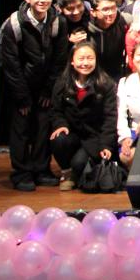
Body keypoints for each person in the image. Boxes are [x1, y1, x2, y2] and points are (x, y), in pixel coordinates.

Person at [0, 0, 69, 191]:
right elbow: (10, 64)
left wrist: (48, 90)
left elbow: (60, 59)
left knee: (43, 127)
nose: (43, 0)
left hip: (46, 85)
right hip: (20, 86)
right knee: (21, 129)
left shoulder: (58, 22)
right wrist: (22, 97)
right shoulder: (14, 24)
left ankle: (41, 169)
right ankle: (21, 173)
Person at [49, 41, 117, 191]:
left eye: (90, 58)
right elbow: (56, 110)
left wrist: (106, 144)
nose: (85, 63)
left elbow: (110, 117)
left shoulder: (105, 84)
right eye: (81, 58)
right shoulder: (62, 83)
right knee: (59, 139)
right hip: (72, 134)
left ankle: (77, 172)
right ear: (72, 61)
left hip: (93, 137)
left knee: (79, 163)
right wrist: (60, 125)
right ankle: (66, 172)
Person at [86, 0, 131, 82]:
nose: (111, 13)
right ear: (93, 12)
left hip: (116, 75)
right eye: (105, 9)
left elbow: (137, 21)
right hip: (92, 77)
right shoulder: (86, 29)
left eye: (113, 8)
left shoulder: (122, 21)